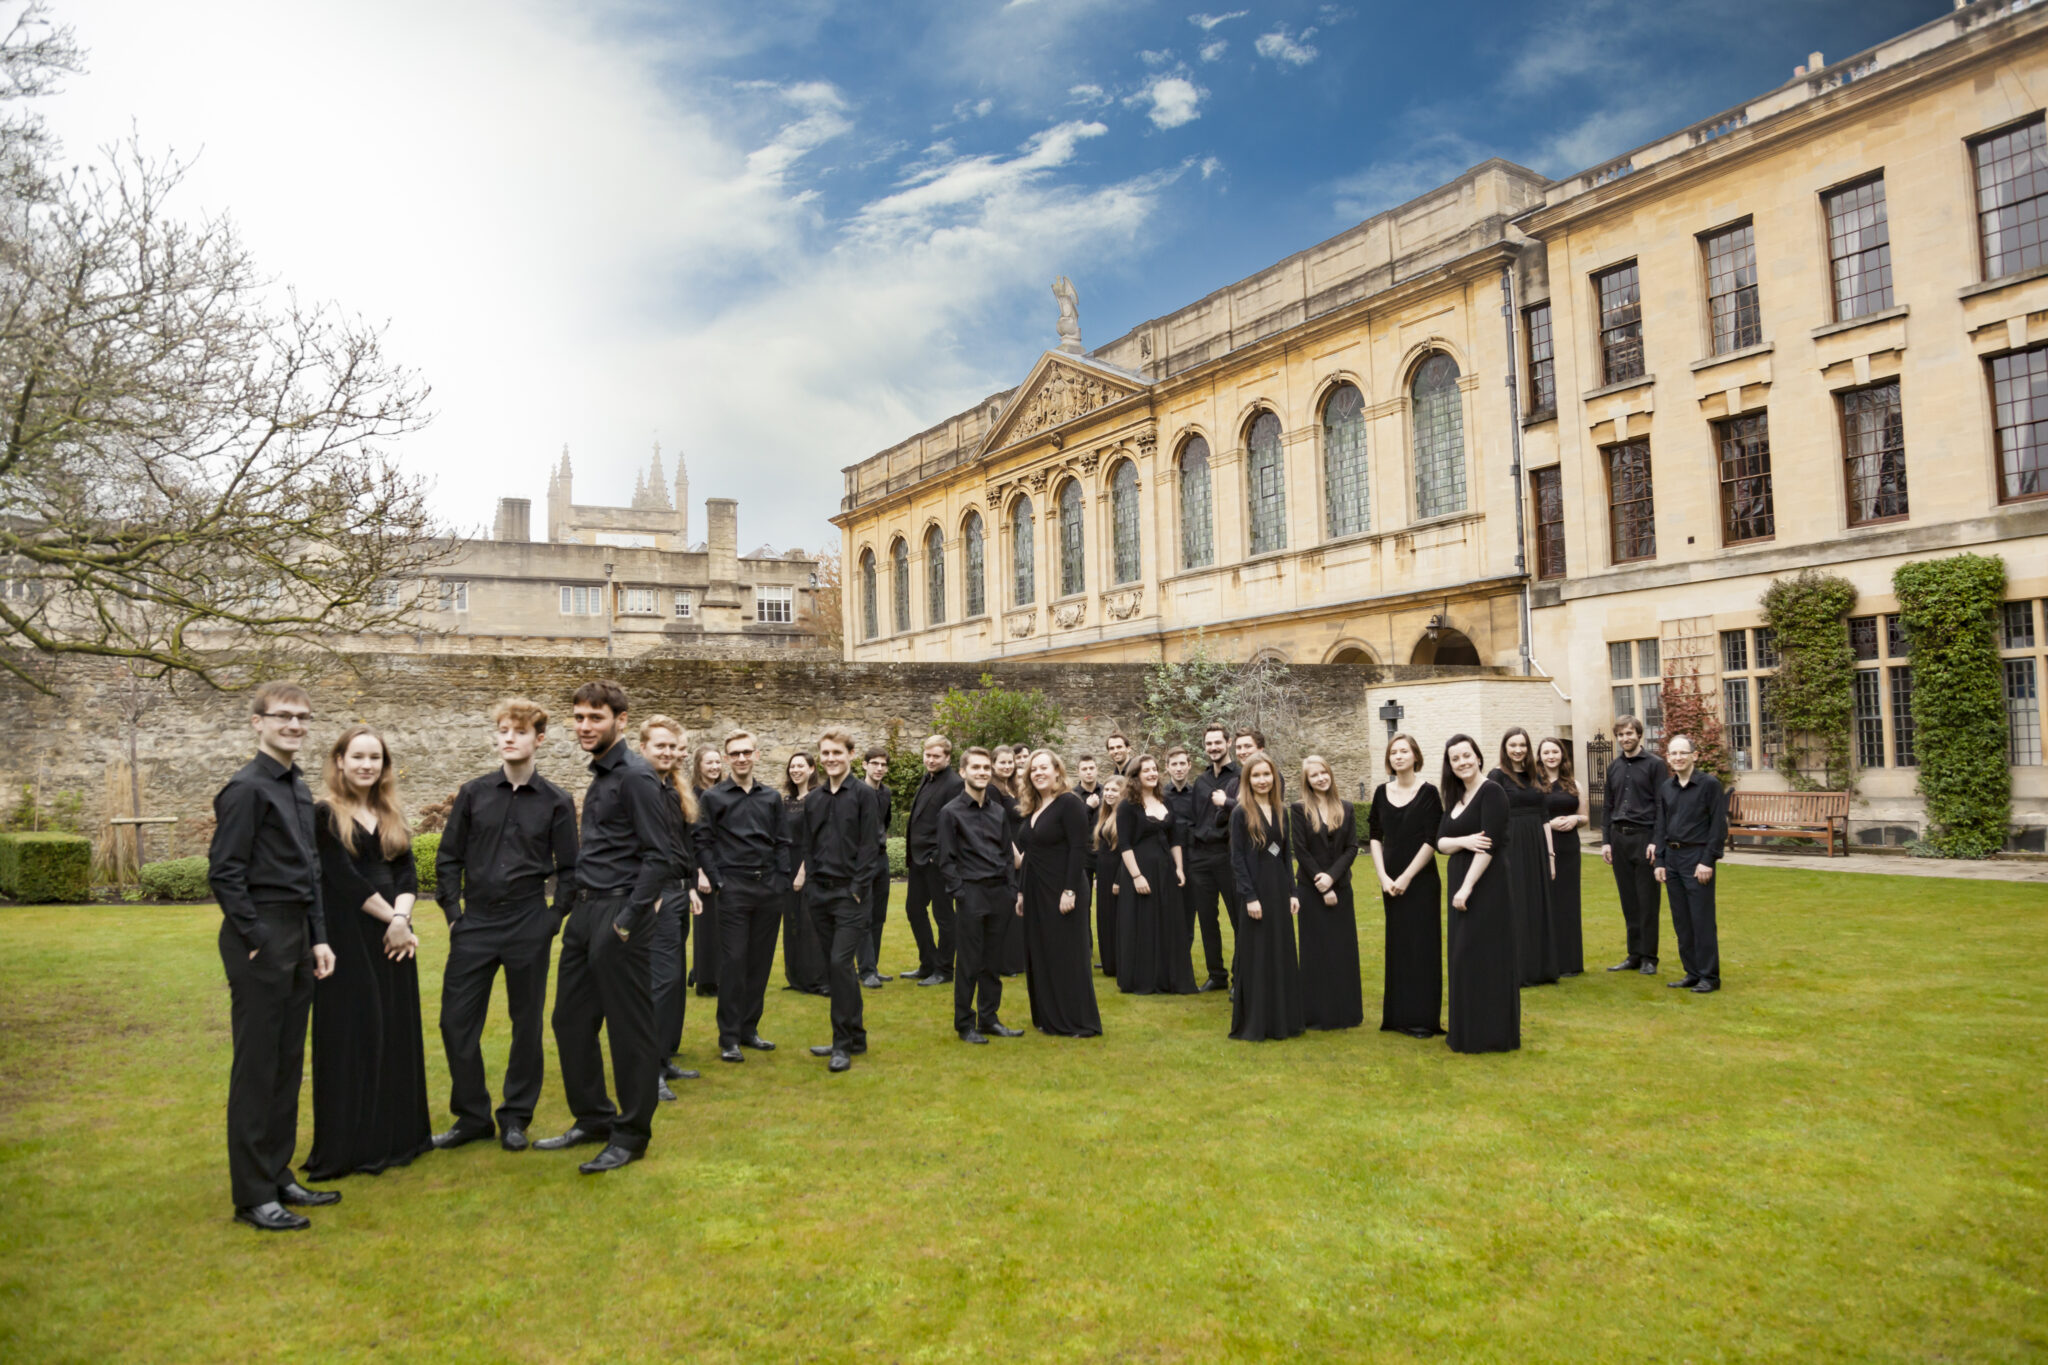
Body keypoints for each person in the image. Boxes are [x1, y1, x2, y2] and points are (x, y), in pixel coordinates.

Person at [208, 682, 338, 1231]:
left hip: (297, 932)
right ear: (257, 723)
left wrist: (319, 937)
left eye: (302, 717)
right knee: (258, 1069)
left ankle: (278, 1172)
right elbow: (225, 871)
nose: (294, 725)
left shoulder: (297, 786)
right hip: (260, 936)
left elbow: (309, 871)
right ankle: (252, 1195)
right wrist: (256, 936)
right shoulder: (246, 789)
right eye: (282, 716)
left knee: (287, 1064)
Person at [538, 679, 675, 1174]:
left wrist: (627, 921)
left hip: (619, 914)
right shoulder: (601, 776)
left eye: (595, 717)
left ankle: (632, 1135)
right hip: (586, 914)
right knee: (569, 1022)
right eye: (578, 717)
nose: (584, 726)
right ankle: (593, 1118)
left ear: (619, 720)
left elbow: (662, 856)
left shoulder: (636, 776)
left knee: (628, 1031)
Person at [434, 697, 580, 1151]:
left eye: (518, 731)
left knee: (526, 1024)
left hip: (527, 921)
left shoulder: (556, 801)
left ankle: (515, 1116)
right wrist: (454, 915)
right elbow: (449, 857)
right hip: (475, 922)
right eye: (503, 730)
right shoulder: (473, 793)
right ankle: (472, 1116)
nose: (509, 738)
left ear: (538, 739)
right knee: (455, 1023)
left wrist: (552, 919)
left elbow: (570, 869)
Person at [304, 725, 434, 1181]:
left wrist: (402, 921)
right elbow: (344, 880)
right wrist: (394, 922)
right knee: (356, 1036)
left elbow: (408, 876)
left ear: (384, 765)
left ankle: (398, 1136)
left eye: (375, 758)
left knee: (395, 1032)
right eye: (357, 756)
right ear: (339, 761)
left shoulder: (390, 812)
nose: (366, 765)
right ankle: (354, 1142)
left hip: (394, 938)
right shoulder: (324, 814)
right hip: (350, 938)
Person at [793, 729, 885, 1072]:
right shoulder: (814, 799)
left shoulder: (863, 795)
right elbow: (809, 846)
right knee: (841, 970)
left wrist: (858, 889)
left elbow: (869, 847)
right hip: (821, 894)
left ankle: (841, 1044)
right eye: (826, 753)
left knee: (838, 964)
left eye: (837, 753)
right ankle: (856, 1036)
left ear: (850, 754)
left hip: (852, 895)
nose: (831, 759)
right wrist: (813, 886)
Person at [695, 730, 788, 1064]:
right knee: (734, 963)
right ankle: (729, 1037)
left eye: (747, 752)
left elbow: (781, 841)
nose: (741, 758)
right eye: (734, 753)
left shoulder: (771, 798)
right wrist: (718, 881)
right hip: (733, 887)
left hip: (768, 889)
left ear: (757, 755)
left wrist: (781, 880)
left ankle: (749, 1029)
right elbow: (702, 842)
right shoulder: (714, 798)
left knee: (759, 964)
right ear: (727, 758)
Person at [1437, 734, 1519, 1054]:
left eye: (1467, 755)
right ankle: (1466, 1031)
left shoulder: (1492, 792)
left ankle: (1491, 1034)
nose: (1462, 762)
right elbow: (1441, 843)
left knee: (1484, 956)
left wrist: (1467, 886)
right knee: (1462, 958)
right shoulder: (1456, 798)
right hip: (1460, 882)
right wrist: (1465, 840)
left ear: (1479, 757)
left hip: (1485, 886)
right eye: (1455, 758)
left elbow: (1489, 847)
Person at [938, 748, 1023, 1044]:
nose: (983, 772)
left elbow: (1005, 853)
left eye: (986, 767)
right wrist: (960, 893)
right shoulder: (950, 812)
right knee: (969, 963)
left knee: (993, 962)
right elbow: (946, 860)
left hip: (1000, 894)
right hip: (970, 894)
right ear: (963, 772)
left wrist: (1011, 890)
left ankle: (989, 1019)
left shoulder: (998, 812)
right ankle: (964, 1023)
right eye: (976, 767)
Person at [1015, 749, 1102, 1036]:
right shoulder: (1033, 808)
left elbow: (1079, 848)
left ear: (1057, 771)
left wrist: (1069, 891)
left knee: (1067, 955)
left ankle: (1078, 1020)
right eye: (1033, 770)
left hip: (1063, 889)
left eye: (1043, 768)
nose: (1038, 773)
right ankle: (1049, 1016)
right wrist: (1021, 893)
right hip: (1035, 891)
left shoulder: (1069, 804)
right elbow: (1029, 854)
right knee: (1041, 953)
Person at [636, 716, 701, 1100]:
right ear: (642, 747)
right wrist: (651, 891)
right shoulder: (638, 788)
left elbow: (681, 846)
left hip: (678, 894)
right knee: (658, 983)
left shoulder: (673, 789)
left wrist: (689, 885)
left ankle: (663, 1059)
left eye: (674, 747)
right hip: (656, 896)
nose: (669, 752)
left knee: (674, 981)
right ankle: (649, 1070)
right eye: (661, 746)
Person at [1367, 733, 1444, 1039]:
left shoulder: (1429, 793)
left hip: (1421, 880)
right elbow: (1374, 835)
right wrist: (1384, 877)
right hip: (1390, 881)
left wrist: (1407, 876)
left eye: (1404, 751)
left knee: (1422, 946)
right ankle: (1397, 1017)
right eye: (1393, 752)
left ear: (1415, 756)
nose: (1398, 756)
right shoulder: (1380, 792)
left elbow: (1432, 839)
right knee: (1398, 946)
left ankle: (1423, 1020)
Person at [1228, 751, 1304, 1042]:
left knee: (1280, 952)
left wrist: (1292, 891)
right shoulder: (1240, 812)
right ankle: (1257, 1021)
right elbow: (1237, 860)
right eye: (1256, 775)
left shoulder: (1280, 809)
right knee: (1257, 955)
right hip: (1255, 892)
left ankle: (1282, 1020)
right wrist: (1249, 897)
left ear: (1274, 777)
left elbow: (1285, 854)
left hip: (1278, 892)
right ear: (1248, 780)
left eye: (1266, 774)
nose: (1262, 780)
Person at [1291, 755, 1363, 1030]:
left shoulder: (1345, 807)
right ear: (1307, 781)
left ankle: (1346, 1012)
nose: (1320, 778)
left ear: (1329, 774)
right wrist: (1321, 884)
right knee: (1316, 952)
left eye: (1323, 773)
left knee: (1342, 951)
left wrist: (1332, 878)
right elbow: (1301, 849)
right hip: (1310, 890)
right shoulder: (1299, 810)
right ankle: (1315, 1013)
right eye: (1314, 775)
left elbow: (1352, 847)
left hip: (1341, 889)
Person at [1115, 754, 1196, 996]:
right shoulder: (1127, 806)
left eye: (1154, 769)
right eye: (1146, 770)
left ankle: (1169, 977)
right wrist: (1137, 876)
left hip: (1165, 869)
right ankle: (1143, 979)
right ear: (1135, 776)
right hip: (1140, 870)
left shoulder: (1166, 801)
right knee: (1144, 923)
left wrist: (1179, 868)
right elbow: (1125, 845)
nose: (1152, 773)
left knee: (1168, 921)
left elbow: (1175, 839)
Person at [1652, 735, 1727, 994]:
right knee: (1681, 920)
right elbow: (1661, 825)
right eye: (1674, 753)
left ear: (1695, 756)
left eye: (1683, 753)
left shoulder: (1709, 785)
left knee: (1701, 919)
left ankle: (1709, 976)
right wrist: (1659, 860)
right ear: (1668, 758)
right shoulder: (1666, 788)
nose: (1678, 757)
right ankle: (1691, 972)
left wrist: (1708, 860)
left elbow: (1718, 826)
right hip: (1671, 859)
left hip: (1697, 860)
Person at [1490, 727, 1558, 988]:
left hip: (1537, 846)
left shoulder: (1536, 775)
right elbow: (1492, 815)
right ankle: (1518, 970)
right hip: (1512, 845)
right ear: (1505, 748)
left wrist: (1550, 855)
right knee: (1517, 905)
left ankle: (1541, 968)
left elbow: (1544, 818)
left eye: (1522, 745)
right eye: (1513, 745)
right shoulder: (1496, 776)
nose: (1518, 750)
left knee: (1537, 903)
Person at [1601, 715, 1667, 976]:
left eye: (1629, 733)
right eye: (1620, 735)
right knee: (1629, 901)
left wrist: (1656, 841)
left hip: (1644, 838)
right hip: (1619, 839)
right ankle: (1634, 954)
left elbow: (1663, 806)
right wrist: (1606, 842)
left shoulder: (1655, 766)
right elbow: (1607, 806)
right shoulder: (1614, 767)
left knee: (1647, 901)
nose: (1625, 738)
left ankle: (1650, 957)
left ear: (1639, 735)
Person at [899, 735, 964, 985]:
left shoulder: (954, 784)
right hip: (918, 861)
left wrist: (937, 857)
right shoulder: (928, 779)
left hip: (937, 863)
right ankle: (928, 963)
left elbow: (952, 826)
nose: (930, 760)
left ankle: (945, 970)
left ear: (947, 757)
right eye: (928, 755)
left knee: (945, 916)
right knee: (914, 910)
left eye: (936, 756)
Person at [1184, 723, 1240, 993]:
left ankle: (1240, 978)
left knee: (1238, 919)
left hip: (1228, 855)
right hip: (1200, 858)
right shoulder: (1202, 781)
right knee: (1207, 920)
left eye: (1218, 742)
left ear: (1228, 743)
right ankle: (1216, 975)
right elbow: (1195, 815)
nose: (1213, 748)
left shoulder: (1241, 776)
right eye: (1209, 744)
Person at [779, 751, 828, 997]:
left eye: (800, 765)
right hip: (787, 866)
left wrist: (802, 873)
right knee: (792, 921)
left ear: (811, 769)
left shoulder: (818, 798)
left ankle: (818, 980)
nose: (795, 770)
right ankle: (796, 976)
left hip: (808, 866)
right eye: (792, 766)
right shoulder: (787, 801)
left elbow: (816, 840)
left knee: (810, 923)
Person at [1538, 737, 1588, 978]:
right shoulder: (1535, 785)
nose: (1551, 756)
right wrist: (1549, 825)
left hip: (1569, 847)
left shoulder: (1574, 784)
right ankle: (1550, 960)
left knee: (1568, 902)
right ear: (1540, 756)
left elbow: (1585, 817)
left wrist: (1574, 820)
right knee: (1548, 902)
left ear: (1562, 756)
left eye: (1555, 752)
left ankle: (1571, 962)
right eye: (1546, 752)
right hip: (1543, 846)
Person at [688, 745, 725, 997]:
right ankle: (706, 980)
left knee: (722, 925)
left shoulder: (723, 793)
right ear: (698, 765)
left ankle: (711, 973)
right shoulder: (693, 795)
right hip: (702, 867)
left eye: (717, 762)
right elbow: (691, 838)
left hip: (723, 865)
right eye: (708, 762)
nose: (714, 767)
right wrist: (699, 872)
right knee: (706, 927)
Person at [858, 747, 895, 988]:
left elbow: (885, 821)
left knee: (878, 916)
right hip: (861, 861)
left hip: (881, 859)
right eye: (875, 763)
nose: (879, 768)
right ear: (864, 765)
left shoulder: (886, 793)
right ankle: (866, 970)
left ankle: (873, 967)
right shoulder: (856, 792)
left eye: (883, 764)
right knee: (863, 914)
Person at [990, 745, 1027, 977]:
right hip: (1009, 852)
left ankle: (1020, 958)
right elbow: (998, 825)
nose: (1006, 766)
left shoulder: (1014, 788)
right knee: (1010, 905)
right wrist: (1014, 854)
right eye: (1002, 762)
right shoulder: (993, 791)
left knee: (1022, 905)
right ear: (993, 764)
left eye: (1010, 762)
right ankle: (1006, 962)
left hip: (1024, 849)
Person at [1073, 754, 1105, 972]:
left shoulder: (1107, 792)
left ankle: (1109, 953)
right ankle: (1084, 949)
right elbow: (1073, 825)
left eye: (1091, 768)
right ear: (1079, 772)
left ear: (1096, 769)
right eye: (1084, 768)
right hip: (1082, 855)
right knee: (1083, 905)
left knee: (1106, 907)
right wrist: (1088, 806)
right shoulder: (1073, 796)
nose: (1088, 772)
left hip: (1104, 855)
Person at [1092, 773, 1125, 967]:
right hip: (1103, 872)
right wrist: (1097, 876)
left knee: (1115, 916)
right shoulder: (1105, 813)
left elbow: (1126, 851)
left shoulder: (1123, 816)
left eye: (1114, 790)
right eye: (1107, 790)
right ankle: (1108, 960)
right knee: (1103, 916)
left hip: (1116, 872)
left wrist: (1118, 880)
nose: (1109, 794)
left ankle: (1117, 960)